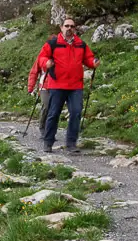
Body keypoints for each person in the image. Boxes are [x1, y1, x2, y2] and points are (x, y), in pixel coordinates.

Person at [37, 17, 99, 153]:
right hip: (57, 84)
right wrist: (46, 63)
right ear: (61, 27)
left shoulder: (81, 44)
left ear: (75, 28)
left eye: (72, 26)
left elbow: (88, 58)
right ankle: (48, 142)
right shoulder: (53, 43)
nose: (69, 28)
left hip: (75, 86)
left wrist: (93, 62)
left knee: (76, 113)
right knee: (53, 114)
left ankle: (71, 143)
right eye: (67, 26)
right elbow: (42, 57)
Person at [26, 54, 50, 138]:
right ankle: (42, 128)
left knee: (54, 108)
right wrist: (30, 87)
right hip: (44, 86)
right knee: (46, 105)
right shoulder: (41, 58)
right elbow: (33, 73)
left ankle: (50, 130)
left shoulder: (60, 56)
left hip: (57, 87)